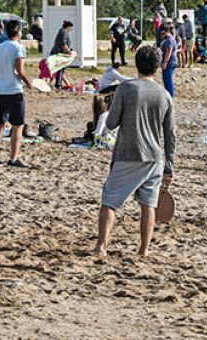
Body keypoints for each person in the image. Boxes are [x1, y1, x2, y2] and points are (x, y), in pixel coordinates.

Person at [92, 45, 175, 257]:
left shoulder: (126, 89)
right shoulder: (165, 95)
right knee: (148, 204)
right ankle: (144, 250)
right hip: (154, 158)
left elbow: (110, 124)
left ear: (137, 64)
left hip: (128, 153)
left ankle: (102, 246)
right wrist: (169, 166)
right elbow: (170, 135)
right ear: (157, 67)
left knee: (109, 201)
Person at [0, 20, 33, 168]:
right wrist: (29, 83)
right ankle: (13, 158)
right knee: (18, 125)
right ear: (18, 32)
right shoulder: (18, 48)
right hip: (14, 90)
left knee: (0, 124)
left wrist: (3, 72)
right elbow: (21, 71)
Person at [50, 19, 75, 89]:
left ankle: (58, 84)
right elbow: (64, 44)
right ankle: (58, 85)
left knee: (61, 69)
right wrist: (69, 51)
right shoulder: (63, 32)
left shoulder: (62, 31)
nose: (70, 30)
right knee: (60, 68)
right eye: (71, 29)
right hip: (59, 53)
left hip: (59, 52)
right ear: (68, 27)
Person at [159, 24, 178, 97]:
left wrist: (165, 62)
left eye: (163, 33)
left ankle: (171, 94)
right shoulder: (169, 39)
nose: (161, 35)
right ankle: (169, 93)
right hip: (169, 62)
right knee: (166, 78)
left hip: (170, 63)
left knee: (168, 78)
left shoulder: (169, 40)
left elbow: (168, 51)